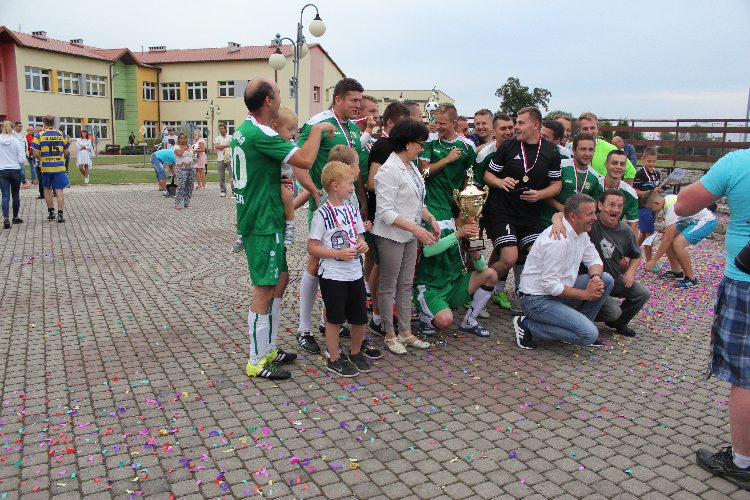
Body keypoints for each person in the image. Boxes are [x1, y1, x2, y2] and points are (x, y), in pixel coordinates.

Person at [234, 76, 336, 379]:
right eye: (278, 93)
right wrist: (316, 130)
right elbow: (304, 160)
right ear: (268, 101)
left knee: (280, 279)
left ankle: (268, 347)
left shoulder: (246, 129)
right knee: (264, 289)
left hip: (266, 217)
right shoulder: (261, 133)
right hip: (262, 221)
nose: (281, 97)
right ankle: (256, 360)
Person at [673, 149, 750, 491]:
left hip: (745, 281)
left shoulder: (738, 162)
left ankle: (742, 462)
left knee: (746, 376)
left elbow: (683, 205)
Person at [294, 77, 363, 355]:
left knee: (340, 262)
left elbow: (357, 172)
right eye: (354, 100)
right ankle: (304, 329)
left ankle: (328, 321)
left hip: (349, 204)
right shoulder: (318, 124)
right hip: (325, 203)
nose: (358, 105)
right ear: (338, 99)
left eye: (360, 100)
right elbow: (298, 161)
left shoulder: (353, 129)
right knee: (315, 263)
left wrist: (361, 206)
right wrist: (313, 190)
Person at [483, 106, 561, 313]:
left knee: (537, 254)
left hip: (530, 215)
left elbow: (557, 184)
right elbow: (488, 175)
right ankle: (477, 289)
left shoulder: (551, 151)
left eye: (520, 123)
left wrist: (540, 194)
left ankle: (528, 298)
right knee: (509, 257)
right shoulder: (509, 146)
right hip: (503, 212)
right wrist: (500, 182)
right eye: (516, 122)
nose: (515, 127)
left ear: (535, 125)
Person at [512, 193, 614, 349]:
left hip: (558, 293)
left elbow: (594, 259)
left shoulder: (581, 233)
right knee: (589, 335)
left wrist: (595, 278)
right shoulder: (557, 240)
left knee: (605, 279)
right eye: (590, 214)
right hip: (537, 300)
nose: (595, 217)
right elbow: (550, 286)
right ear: (573, 217)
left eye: (594, 213)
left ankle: (577, 328)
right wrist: (586, 294)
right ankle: (526, 324)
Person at [373, 119, 439, 354]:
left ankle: (405, 331)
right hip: (391, 235)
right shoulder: (389, 170)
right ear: (408, 143)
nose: (422, 148)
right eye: (420, 143)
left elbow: (416, 201)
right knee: (388, 285)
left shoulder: (411, 168)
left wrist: (430, 218)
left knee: (405, 284)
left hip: (409, 233)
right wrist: (416, 228)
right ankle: (389, 334)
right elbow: (385, 212)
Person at [308, 161, 372, 376]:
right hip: (333, 275)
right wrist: (337, 254)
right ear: (335, 186)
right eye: (350, 184)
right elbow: (312, 247)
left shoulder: (352, 210)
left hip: (355, 273)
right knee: (334, 318)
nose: (354, 188)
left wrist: (363, 244)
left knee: (359, 316)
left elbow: (359, 236)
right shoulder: (321, 214)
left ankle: (355, 352)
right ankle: (334, 357)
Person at [364, 102, 412, 336]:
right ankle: (377, 316)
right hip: (383, 214)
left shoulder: (396, 147)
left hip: (398, 215)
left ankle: (385, 314)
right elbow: (371, 182)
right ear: (390, 123)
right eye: (404, 124)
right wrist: (396, 191)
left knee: (387, 268)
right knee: (381, 267)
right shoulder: (383, 146)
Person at [414, 215, 497, 337]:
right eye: (476, 216)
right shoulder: (440, 225)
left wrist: (476, 254)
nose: (477, 220)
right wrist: (458, 234)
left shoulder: (472, 233)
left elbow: (482, 267)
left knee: (491, 274)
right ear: (463, 213)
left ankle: (469, 321)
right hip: (430, 288)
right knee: (445, 321)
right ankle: (425, 318)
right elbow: (428, 251)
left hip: (454, 285)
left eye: (479, 217)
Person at [588, 190, 650, 337]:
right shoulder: (590, 223)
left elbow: (636, 255)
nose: (616, 209)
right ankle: (581, 317)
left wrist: (630, 272)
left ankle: (619, 323)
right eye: (611, 205)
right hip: (591, 279)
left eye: (620, 206)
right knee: (613, 312)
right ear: (600, 205)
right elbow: (565, 216)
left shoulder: (625, 231)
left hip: (614, 278)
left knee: (642, 293)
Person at [643, 191, 717, 288]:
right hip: (689, 220)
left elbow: (668, 239)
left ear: (656, 203)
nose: (651, 211)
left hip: (705, 221)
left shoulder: (671, 208)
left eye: (651, 208)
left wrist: (654, 261)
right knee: (665, 237)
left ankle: (691, 279)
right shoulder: (666, 200)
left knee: (678, 244)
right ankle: (676, 271)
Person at [540, 133, 603, 227]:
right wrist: (561, 207)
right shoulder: (560, 166)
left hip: (573, 227)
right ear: (573, 150)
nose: (587, 154)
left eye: (591, 150)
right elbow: (542, 192)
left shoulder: (595, 176)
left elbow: (593, 204)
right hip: (548, 222)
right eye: (583, 149)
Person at [268, 107, 300, 245]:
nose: (293, 133)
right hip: (268, 180)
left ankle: (290, 225)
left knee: (286, 194)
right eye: (290, 129)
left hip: (283, 180)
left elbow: (301, 158)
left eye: (294, 129)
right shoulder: (267, 142)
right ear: (275, 128)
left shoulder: (288, 144)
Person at [578, 112, 636, 182]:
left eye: (592, 128)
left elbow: (631, 171)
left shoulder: (610, 149)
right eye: (585, 128)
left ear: (597, 129)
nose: (589, 131)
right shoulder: (571, 148)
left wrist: (624, 188)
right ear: (579, 131)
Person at [32, 116, 70, 223]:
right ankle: (60, 214)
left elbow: (35, 153)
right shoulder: (62, 135)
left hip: (46, 167)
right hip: (59, 166)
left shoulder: (39, 136)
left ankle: (51, 213)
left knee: (47, 188)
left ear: (44, 124)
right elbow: (66, 152)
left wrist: (42, 159)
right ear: (54, 123)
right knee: (59, 190)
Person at [598, 150, 639, 233]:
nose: (618, 167)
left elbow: (633, 227)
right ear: (606, 165)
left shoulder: (630, 193)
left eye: (622, 164)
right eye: (614, 163)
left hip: (613, 235)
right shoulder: (594, 184)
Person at [633, 147, 662, 261]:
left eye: (654, 161)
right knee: (649, 234)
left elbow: (656, 189)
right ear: (643, 159)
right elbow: (635, 191)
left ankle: (629, 255)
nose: (651, 164)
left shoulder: (656, 174)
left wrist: (659, 190)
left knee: (644, 233)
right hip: (643, 207)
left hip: (652, 207)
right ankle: (649, 262)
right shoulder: (640, 174)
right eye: (649, 161)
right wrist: (651, 192)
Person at [474, 113, 515, 186]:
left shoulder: (522, 148)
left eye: (511, 128)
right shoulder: (484, 155)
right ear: (493, 132)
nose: (508, 132)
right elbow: (478, 185)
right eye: (503, 128)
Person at [0, 121, 26, 228]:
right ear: (12, 128)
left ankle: (6, 218)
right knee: (15, 194)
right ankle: (15, 217)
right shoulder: (16, 141)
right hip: (15, 169)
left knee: (5, 195)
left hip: (2, 170)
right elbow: (22, 159)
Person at [173, 133, 196, 209]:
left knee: (190, 186)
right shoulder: (176, 147)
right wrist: (184, 148)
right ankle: (177, 204)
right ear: (179, 139)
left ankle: (186, 203)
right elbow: (179, 154)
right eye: (181, 138)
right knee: (181, 186)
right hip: (181, 169)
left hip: (191, 168)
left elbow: (192, 155)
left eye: (184, 138)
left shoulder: (189, 146)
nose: (183, 140)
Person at [214, 123, 233, 198]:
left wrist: (222, 147)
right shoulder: (217, 138)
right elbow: (217, 146)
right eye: (220, 129)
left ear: (225, 129)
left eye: (222, 128)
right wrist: (227, 146)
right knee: (221, 176)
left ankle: (234, 191)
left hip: (229, 158)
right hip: (220, 158)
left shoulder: (230, 137)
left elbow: (232, 145)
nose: (221, 130)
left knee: (232, 175)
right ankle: (223, 191)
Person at [11, 122, 28, 188]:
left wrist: (26, 152)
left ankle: (23, 181)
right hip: (14, 155)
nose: (21, 128)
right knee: (15, 170)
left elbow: (25, 144)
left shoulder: (22, 134)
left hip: (22, 154)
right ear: (15, 126)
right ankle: (16, 182)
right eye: (19, 126)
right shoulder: (12, 134)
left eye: (21, 126)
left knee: (22, 170)